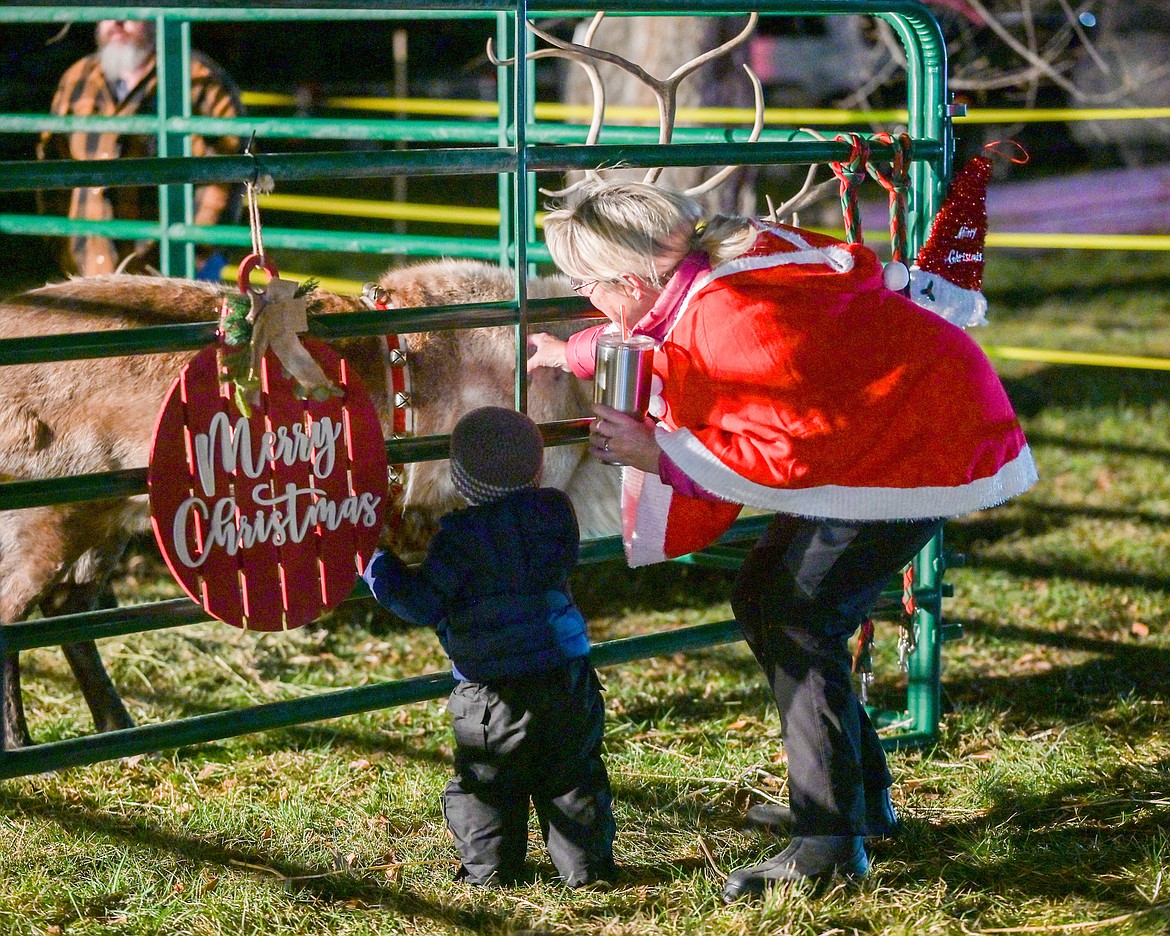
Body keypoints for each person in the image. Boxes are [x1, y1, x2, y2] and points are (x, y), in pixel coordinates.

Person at [528, 179, 1037, 900]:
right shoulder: (707, 266)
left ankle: (829, 844)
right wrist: (574, 352)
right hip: (891, 429)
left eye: (587, 285)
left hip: (916, 446)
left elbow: (779, 455)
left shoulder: (735, 315)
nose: (587, 297)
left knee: (797, 617)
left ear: (631, 278)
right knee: (771, 598)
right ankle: (856, 806)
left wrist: (656, 452)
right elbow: (647, 333)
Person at [360, 406, 617, 889]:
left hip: (489, 692)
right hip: (567, 676)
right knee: (572, 775)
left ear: (458, 479)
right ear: (539, 469)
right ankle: (588, 869)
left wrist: (376, 564)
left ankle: (490, 871)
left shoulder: (458, 539)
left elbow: (421, 603)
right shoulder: (557, 514)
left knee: (487, 784)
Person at [36, 18, 243, 278]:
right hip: (87, 267)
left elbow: (225, 175)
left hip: (171, 273)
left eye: (132, 8)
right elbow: (52, 168)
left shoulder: (199, 79)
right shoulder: (77, 77)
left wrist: (196, 253)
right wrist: (60, 244)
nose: (118, 21)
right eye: (108, 10)